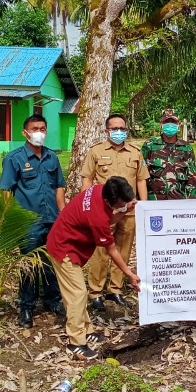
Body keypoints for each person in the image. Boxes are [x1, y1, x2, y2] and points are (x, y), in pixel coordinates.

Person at [46, 176, 141, 360]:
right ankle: (76, 342)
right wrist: (129, 274)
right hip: (63, 248)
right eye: (121, 202)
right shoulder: (97, 215)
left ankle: (87, 330)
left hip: (67, 243)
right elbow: (111, 249)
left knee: (76, 292)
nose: (124, 204)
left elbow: (108, 219)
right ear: (110, 200)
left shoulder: (99, 189)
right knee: (77, 293)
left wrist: (124, 209)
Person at [0, 114, 67, 328]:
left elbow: (59, 188)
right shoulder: (15, 158)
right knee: (29, 266)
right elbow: (6, 191)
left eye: (43, 128)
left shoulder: (51, 157)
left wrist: (63, 216)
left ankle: (52, 301)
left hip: (52, 220)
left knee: (50, 263)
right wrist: (10, 221)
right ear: (25, 132)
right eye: (35, 128)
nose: (39, 132)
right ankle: (26, 308)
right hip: (29, 223)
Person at [81, 113, 149, 310]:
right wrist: (86, 205)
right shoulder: (96, 151)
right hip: (104, 212)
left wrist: (143, 205)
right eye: (114, 129)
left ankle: (115, 289)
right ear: (106, 131)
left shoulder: (135, 153)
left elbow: (141, 180)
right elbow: (87, 178)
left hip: (129, 210)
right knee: (101, 251)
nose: (119, 132)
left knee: (123, 249)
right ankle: (95, 292)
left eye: (122, 129)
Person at [141, 109, 196, 200]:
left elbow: (192, 178)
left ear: (178, 124)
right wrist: (142, 202)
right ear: (161, 124)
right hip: (154, 201)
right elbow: (142, 176)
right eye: (166, 122)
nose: (170, 125)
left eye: (173, 122)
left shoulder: (186, 148)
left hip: (179, 201)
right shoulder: (149, 146)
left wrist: (192, 203)